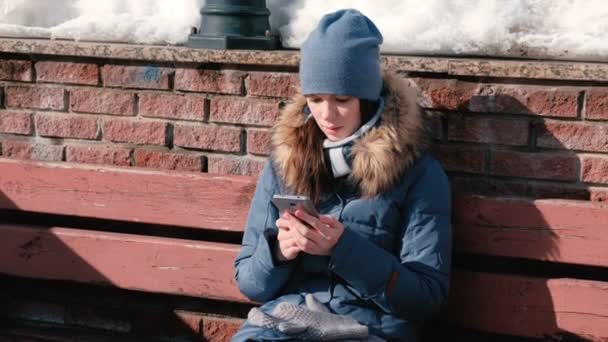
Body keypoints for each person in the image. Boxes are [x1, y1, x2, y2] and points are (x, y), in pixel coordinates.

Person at [231, 8, 451, 342]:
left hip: (371, 329)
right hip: (289, 321)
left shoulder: (418, 172)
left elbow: (425, 298)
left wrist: (344, 249)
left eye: (342, 99)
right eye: (315, 99)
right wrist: (279, 251)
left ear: (366, 97)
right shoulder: (285, 162)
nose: (327, 115)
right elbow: (250, 283)